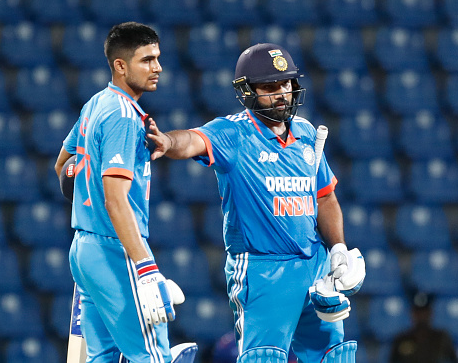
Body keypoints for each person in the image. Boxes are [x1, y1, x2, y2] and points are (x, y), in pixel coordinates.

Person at [147, 43, 365, 363]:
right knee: (263, 358)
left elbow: (326, 197)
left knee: (334, 357)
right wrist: (167, 142)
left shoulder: (306, 133)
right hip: (264, 271)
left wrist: (338, 250)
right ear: (247, 92)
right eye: (270, 86)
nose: (281, 93)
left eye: (286, 83)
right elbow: (193, 141)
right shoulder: (233, 133)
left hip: (315, 267)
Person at [55, 22, 196, 363]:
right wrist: (146, 269)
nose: (158, 67)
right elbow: (116, 200)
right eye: (147, 60)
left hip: (84, 249)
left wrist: (88, 193)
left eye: (158, 58)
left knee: (102, 357)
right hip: (116, 250)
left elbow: (63, 166)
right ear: (121, 65)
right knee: (152, 357)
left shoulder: (96, 103)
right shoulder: (122, 116)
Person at [389, 292, 458, 363]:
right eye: (418, 312)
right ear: (412, 313)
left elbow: (455, 360)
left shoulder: (441, 338)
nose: (421, 316)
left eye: (424, 312)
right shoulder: (401, 339)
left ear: (431, 313)